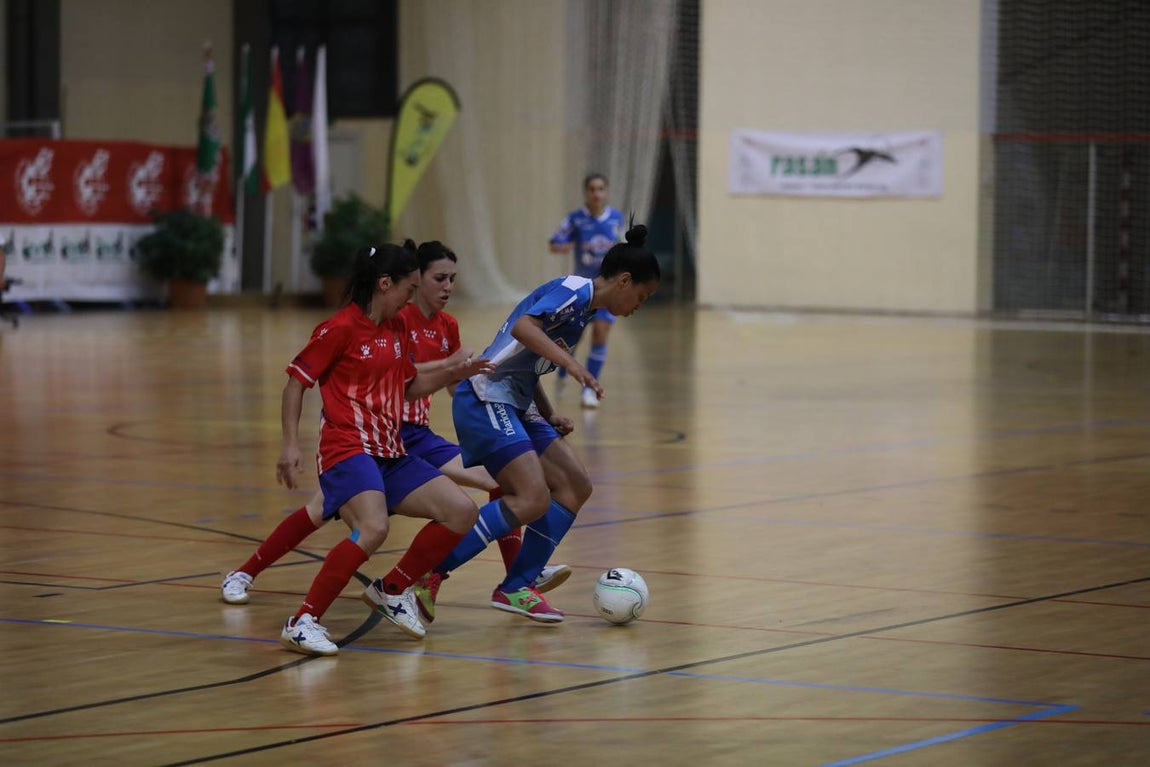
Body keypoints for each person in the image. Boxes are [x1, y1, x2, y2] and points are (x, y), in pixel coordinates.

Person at [220, 242, 571, 617]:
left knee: (498, 484)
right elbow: (309, 382)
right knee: (325, 511)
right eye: (438, 279)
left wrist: (474, 383)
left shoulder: (434, 325)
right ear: (399, 283)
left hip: (409, 438)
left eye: (452, 279)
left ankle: (509, 579)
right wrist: (289, 444)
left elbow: (425, 384)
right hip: (362, 438)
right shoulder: (367, 324)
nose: (446, 287)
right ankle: (249, 575)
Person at [418, 225, 660, 623]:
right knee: (531, 497)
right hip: (485, 395)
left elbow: (527, 363)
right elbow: (522, 329)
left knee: (575, 485)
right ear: (624, 280)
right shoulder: (574, 289)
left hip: (518, 401)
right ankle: (424, 575)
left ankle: (517, 586)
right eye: (642, 296)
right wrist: (571, 364)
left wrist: (549, 414)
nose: (639, 305)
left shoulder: (585, 311)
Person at [272, 241, 492, 656]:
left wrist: (458, 370)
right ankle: (303, 620)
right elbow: (295, 383)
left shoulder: (396, 328)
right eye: (409, 289)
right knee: (374, 527)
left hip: (390, 450)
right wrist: (289, 444)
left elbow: (409, 386)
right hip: (347, 447)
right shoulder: (338, 328)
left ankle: (391, 589)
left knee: (461, 512)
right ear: (385, 283)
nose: (411, 298)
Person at [548, 172, 625, 409]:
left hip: (608, 289)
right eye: (592, 189)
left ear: (606, 192)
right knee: (572, 339)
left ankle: (590, 390)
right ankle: (562, 373)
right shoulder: (575, 219)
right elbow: (554, 243)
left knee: (600, 334)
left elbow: (626, 246)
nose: (596, 194)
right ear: (586, 193)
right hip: (582, 289)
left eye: (600, 189)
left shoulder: (616, 219)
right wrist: (563, 245)